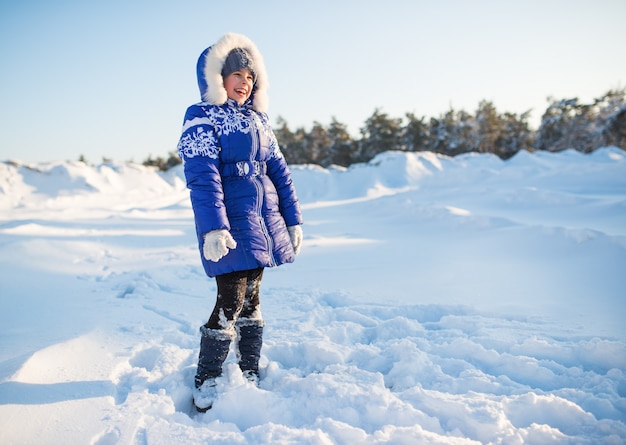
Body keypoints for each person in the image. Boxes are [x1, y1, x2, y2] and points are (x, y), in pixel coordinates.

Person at [176, 32, 303, 412]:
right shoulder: (201, 116)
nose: (245, 82)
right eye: (237, 75)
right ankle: (208, 378)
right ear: (218, 78)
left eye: (251, 76)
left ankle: (248, 369)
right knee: (229, 299)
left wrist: (293, 220)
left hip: (262, 223)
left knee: (252, 300)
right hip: (230, 224)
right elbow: (202, 175)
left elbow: (280, 173)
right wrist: (214, 227)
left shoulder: (260, 121)